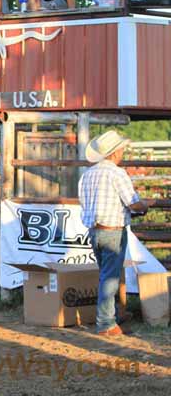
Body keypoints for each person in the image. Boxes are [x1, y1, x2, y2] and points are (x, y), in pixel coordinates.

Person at [78, 130, 151, 337]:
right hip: (113, 231)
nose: (122, 153)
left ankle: (111, 316)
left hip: (94, 230)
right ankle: (106, 323)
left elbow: (84, 204)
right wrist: (145, 205)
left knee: (107, 274)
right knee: (110, 277)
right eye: (120, 150)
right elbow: (132, 202)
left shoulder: (87, 175)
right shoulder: (117, 173)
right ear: (114, 153)